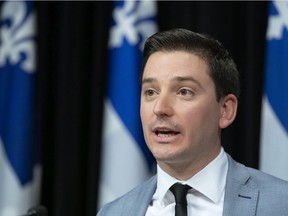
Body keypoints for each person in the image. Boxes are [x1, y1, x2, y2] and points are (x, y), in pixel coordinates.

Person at [97, 28, 288, 216]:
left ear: (225, 110)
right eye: (151, 92)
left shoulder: (282, 204)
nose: (160, 108)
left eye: (184, 92)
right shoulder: (112, 212)